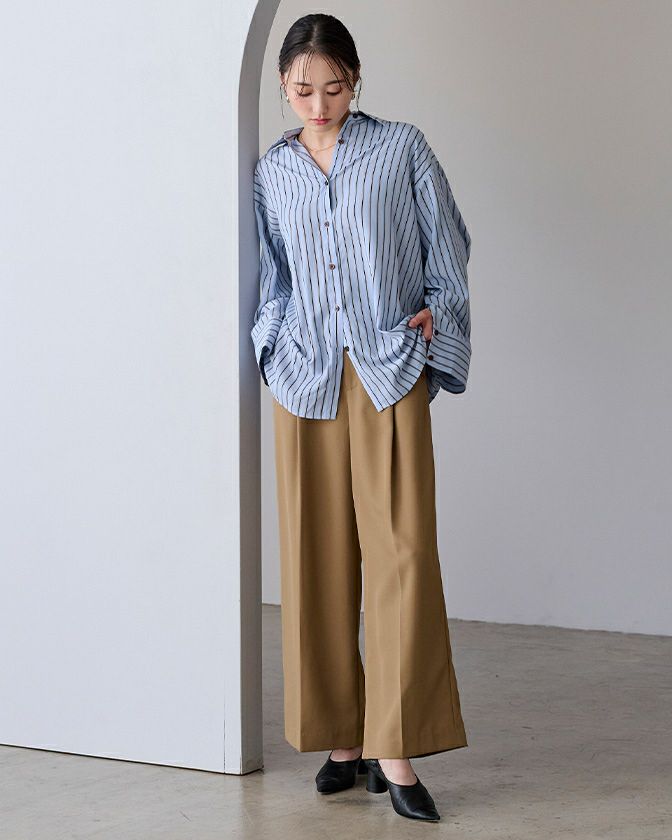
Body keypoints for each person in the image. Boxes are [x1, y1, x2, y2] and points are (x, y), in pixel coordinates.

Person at [251, 13, 472, 823]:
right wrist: (270, 345)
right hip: (304, 376)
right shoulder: (271, 172)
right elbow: (269, 274)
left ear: (356, 80)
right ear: (284, 87)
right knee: (316, 556)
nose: (319, 105)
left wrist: (438, 320)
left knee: (402, 554)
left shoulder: (402, 148)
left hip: (387, 367)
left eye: (334, 88)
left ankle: (396, 749)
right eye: (303, 90)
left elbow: (449, 245)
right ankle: (343, 739)